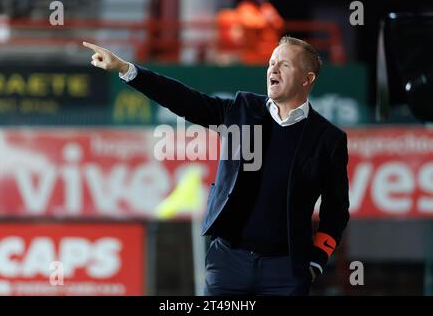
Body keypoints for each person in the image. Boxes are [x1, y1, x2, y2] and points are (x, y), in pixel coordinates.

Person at [83, 35, 350, 296]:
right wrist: (127, 69)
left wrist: (316, 259)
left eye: (285, 64)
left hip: (286, 270)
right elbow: (184, 99)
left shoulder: (329, 139)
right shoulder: (242, 109)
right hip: (227, 262)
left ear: (307, 79)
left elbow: (336, 210)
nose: (273, 69)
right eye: (271, 63)